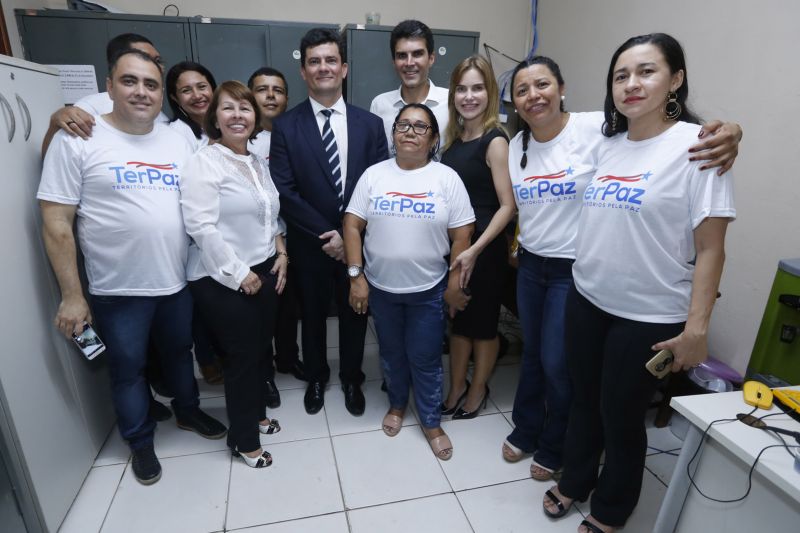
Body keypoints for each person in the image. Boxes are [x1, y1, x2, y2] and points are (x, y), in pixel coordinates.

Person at [503, 55, 743, 483]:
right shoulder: (518, 143)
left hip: (574, 269)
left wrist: (732, 131)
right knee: (536, 355)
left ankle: (555, 445)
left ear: (561, 88)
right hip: (537, 267)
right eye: (522, 90)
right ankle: (527, 429)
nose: (533, 96)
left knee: (560, 366)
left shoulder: (596, 129)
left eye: (542, 85)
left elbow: (657, 137)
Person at [37, 48, 227, 486]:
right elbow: (56, 221)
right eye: (129, 81)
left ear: (162, 94)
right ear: (109, 87)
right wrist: (72, 294)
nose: (141, 91)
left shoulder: (177, 138)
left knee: (179, 354)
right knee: (127, 369)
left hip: (175, 282)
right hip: (117, 290)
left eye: (151, 84)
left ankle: (187, 411)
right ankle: (140, 442)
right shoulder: (79, 138)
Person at [343, 103, 474, 460]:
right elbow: (352, 225)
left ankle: (431, 421)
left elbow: (462, 234)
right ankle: (398, 405)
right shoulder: (374, 175)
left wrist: (454, 283)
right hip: (381, 289)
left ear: (433, 138)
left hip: (428, 291)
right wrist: (356, 277)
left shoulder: (446, 178)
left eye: (420, 126)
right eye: (403, 125)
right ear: (393, 134)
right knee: (391, 354)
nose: (410, 132)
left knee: (425, 357)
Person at [270, 27, 388, 416]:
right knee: (313, 315)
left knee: (356, 311)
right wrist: (331, 235)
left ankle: (352, 377)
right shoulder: (286, 126)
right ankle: (317, 376)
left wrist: (350, 235)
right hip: (311, 245)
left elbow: (379, 184)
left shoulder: (370, 124)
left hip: (359, 243)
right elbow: (285, 190)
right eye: (314, 61)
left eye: (330, 60)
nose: (323, 67)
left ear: (344, 68)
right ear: (303, 71)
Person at [180, 80, 287, 469]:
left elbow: (269, 215)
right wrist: (239, 272)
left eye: (245, 108)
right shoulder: (204, 162)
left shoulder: (256, 161)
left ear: (255, 117)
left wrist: (281, 252)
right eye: (228, 108)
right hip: (219, 275)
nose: (238, 115)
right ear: (215, 117)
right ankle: (244, 441)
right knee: (241, 358)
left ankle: (256, 415)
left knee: (259, 351)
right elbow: (201, 227)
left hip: (263, 267)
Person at [439, 55, 515, 419]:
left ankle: (478, 389)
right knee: (458, 322)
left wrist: (475, 251)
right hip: (458, 246)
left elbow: (507, 206)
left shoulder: (495, 140)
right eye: (462, 89)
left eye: (478, 88)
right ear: (453, 95)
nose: (469, 97)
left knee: (482, 326)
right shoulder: (454, 141)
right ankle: (456, 387)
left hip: (484, 249)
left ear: (490, 93)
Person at [247, 67, 306, 404]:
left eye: (278, 90)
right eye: (262, 89)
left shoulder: (292, 134)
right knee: (260, 311)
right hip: (256, 240)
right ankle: (264, 373)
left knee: (288, 305)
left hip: (292, 233)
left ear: (286, 98)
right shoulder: (243, 137)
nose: (270, 96)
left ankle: (288, 357)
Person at [42, 33, 168, 154]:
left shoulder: (159, 115)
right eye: (144, 57)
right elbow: (58, 156)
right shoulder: (90, 106)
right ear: (110, 86)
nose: (152, 65)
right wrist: (55, 124)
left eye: (157, 60)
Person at [370, 20, 449, 149]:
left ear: (431, 58)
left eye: (417, 54)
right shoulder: (379, 105)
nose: (409, 63)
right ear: (394, 62)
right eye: (402, 55)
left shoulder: (450, 103)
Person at [166, 61, 217, 151]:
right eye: (186, 90)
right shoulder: (175, 133)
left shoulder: (226, 121)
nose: (197, 96)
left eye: (202, 87)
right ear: (175, 98)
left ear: (213, 89)